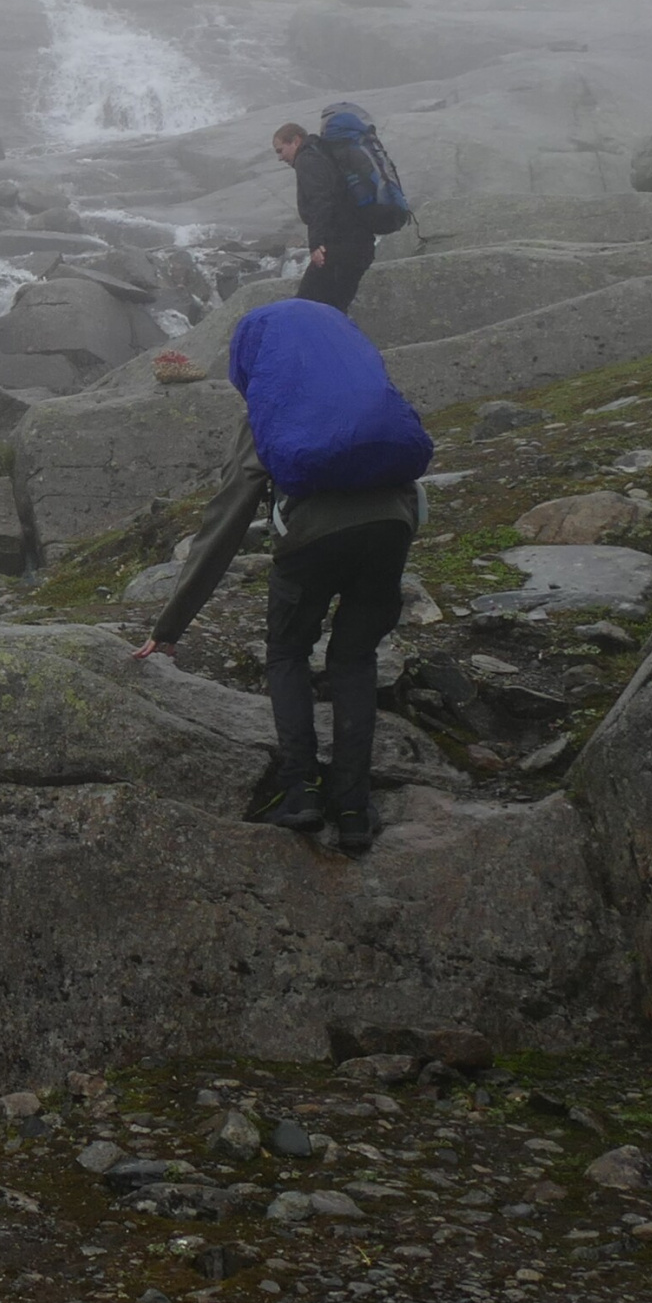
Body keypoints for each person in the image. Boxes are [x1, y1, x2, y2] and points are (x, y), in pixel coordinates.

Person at [133, 296, 431, 855]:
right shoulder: (366, 390)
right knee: (354, 658)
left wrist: (169, 627)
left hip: (312, 539)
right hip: (390, 530)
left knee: (288, 651)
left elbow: (226, 521)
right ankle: (354, 809)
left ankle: (301, 791)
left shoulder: (271, 414)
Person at [275, 121, 375, 310]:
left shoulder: (307, 159)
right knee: (334, 310)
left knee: (306, 308)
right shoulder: (322, 153)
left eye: (280, 150)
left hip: (340, 248)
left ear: (296, 141)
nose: (280, 158)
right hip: (360, 245)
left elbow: (320, 202)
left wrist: (316, 244)